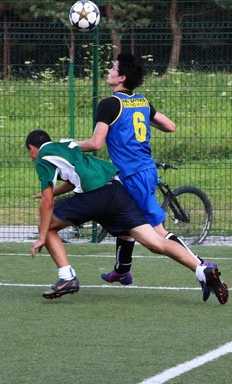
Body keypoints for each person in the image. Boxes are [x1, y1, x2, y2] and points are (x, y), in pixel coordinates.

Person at [25, 129, 229, 304]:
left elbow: (48, 203)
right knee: (156, 242)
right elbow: (74, 177)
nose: (30, 157)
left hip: (94, 196)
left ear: (33, 148)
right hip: (116, 190)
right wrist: (49, 193)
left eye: (29, 153)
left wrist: (42, 234)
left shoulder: (43, 157)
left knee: (48, 227)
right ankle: (202, 270)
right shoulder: (66, 145)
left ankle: (66, 276)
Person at [75, 52, 215, 300]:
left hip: (133, 176)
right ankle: (122, 270)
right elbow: (170, 126)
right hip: (146, 170)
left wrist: (69, 146)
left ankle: (203, 268)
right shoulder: (141, 102)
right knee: (123, 218)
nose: (109, 70)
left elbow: (96, 143)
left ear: (122, 77)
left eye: (113, 67)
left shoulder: (109, 105)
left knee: (158, 233)